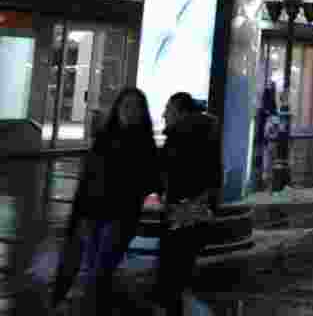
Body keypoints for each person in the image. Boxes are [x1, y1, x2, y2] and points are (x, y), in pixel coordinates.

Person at [52, 88, 161, 314]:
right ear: (118, 109)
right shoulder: (104, 138)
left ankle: (93, 308)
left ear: (143, 113)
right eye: (126, 106)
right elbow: (87, 180)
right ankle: (93, 307)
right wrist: (80, 215)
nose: (130, 111)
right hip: (93, 215)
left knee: (100, 270)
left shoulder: (145, 145)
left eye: (136, 107)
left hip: (120, 218)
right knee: (93, 268)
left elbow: (152, 181)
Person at [157, 92, 221, 316]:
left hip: (184, 208)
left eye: (168, 109)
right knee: (182, 264)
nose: (164, 114)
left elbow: (171, 171)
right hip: (196, 207)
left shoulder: (183, 135)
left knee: (173, 266)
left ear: (181, 112)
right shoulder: (204, 133)